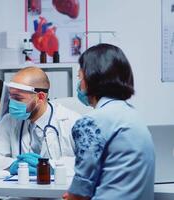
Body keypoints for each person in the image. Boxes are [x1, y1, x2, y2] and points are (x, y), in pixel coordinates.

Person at [65, 44, 155, 200]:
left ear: (91, 78)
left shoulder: (91, 122)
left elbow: (80, 192)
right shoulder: (133, 115)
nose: (79, 84)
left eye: (80, 77)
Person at [0, 67, 81, 175]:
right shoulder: (9, 120)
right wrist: (13, 165)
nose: (12, 103)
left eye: (18, 98)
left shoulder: (73, 121)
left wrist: (52, 167)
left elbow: (90, 163)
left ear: (40, 97)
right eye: (11, 97)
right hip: (22, 189)